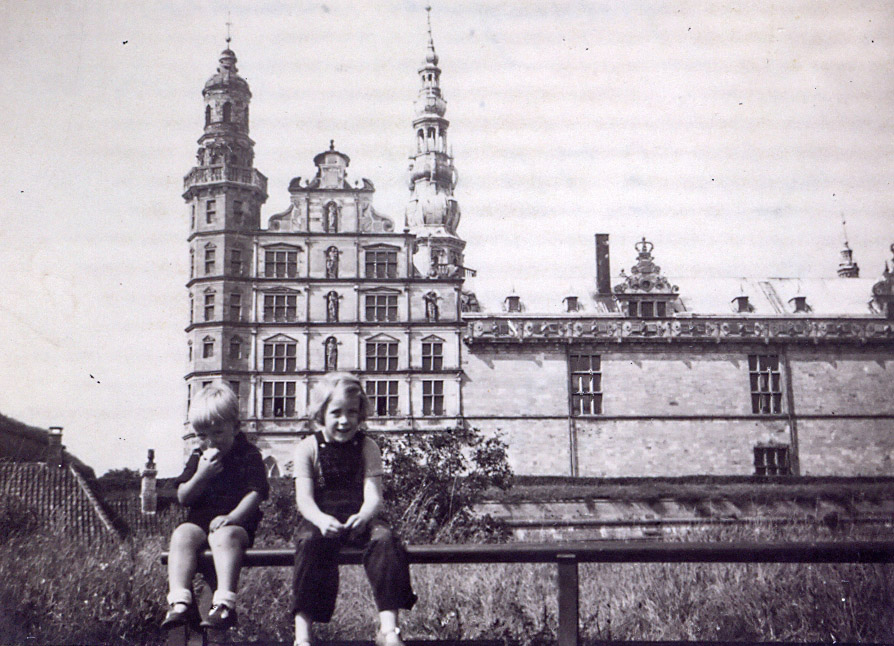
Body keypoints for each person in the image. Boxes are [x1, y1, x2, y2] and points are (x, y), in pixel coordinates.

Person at [292, 372, 416, 646]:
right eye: (336, 412)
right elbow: (304, 499)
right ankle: (302, 633)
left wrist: (364, 515)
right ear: (320, 413)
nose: (345, 420)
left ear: (361, 414)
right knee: (308, 543)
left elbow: (373, 495)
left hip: (361, 519)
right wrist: (321, 520)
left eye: (352, 412)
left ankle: (389, 629)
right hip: (322, 519)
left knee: (386, 541)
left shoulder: (368, 446)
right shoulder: (307, 448)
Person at [161, 383, 269, 630]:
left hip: (236, 524)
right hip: (200, 523)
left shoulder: (248, 454)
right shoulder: (199, 457)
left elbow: (256, 494)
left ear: (236, 427)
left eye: (218, 433)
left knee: (224, 535)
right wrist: (201, 475)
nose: (210, 443)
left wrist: (232, 517)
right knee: (182, 534)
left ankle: (224, 603)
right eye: (201, 436)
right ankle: (180, 602)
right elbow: (183, 497)